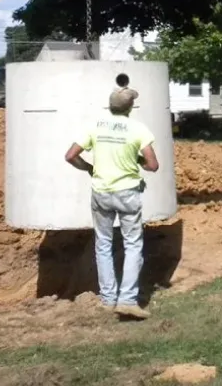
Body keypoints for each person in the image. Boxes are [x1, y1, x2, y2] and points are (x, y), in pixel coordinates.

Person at [64, 86, 159, 319]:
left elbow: (70, 155)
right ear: (130, 108)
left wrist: (89, 168)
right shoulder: (138, 129)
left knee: (103, 245)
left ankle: (108, 299)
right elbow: (153, 165)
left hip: (101, 194)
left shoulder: (95, 126)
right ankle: (127, 300)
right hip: (127, 193)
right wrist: (137, 161)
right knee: (133, 245)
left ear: (110, 106)